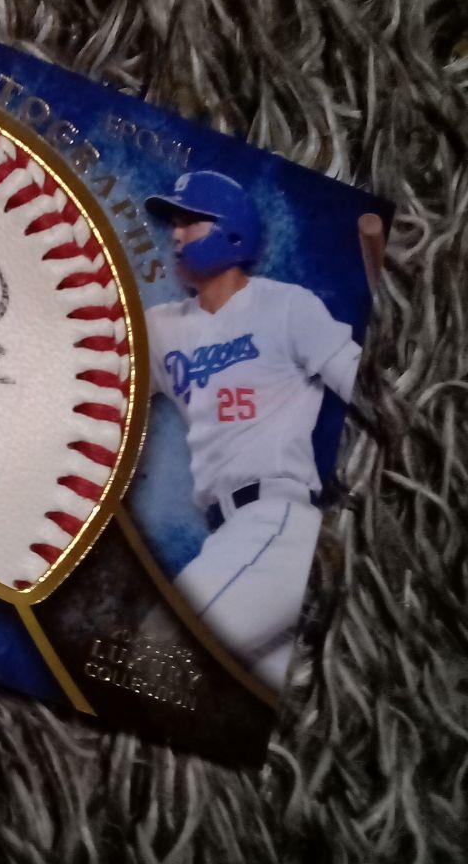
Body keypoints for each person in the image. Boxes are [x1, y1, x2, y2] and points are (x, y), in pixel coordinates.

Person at [143, 171, 360, 689]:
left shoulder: (286, 306)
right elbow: (104, 386)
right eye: (174, 223)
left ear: (233, 232)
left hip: (278, 520)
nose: (176, 234)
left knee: (156, 651)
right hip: (228, 535)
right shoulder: (163, 327)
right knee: (233, 703)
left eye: (191, 221)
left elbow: (368, 390)